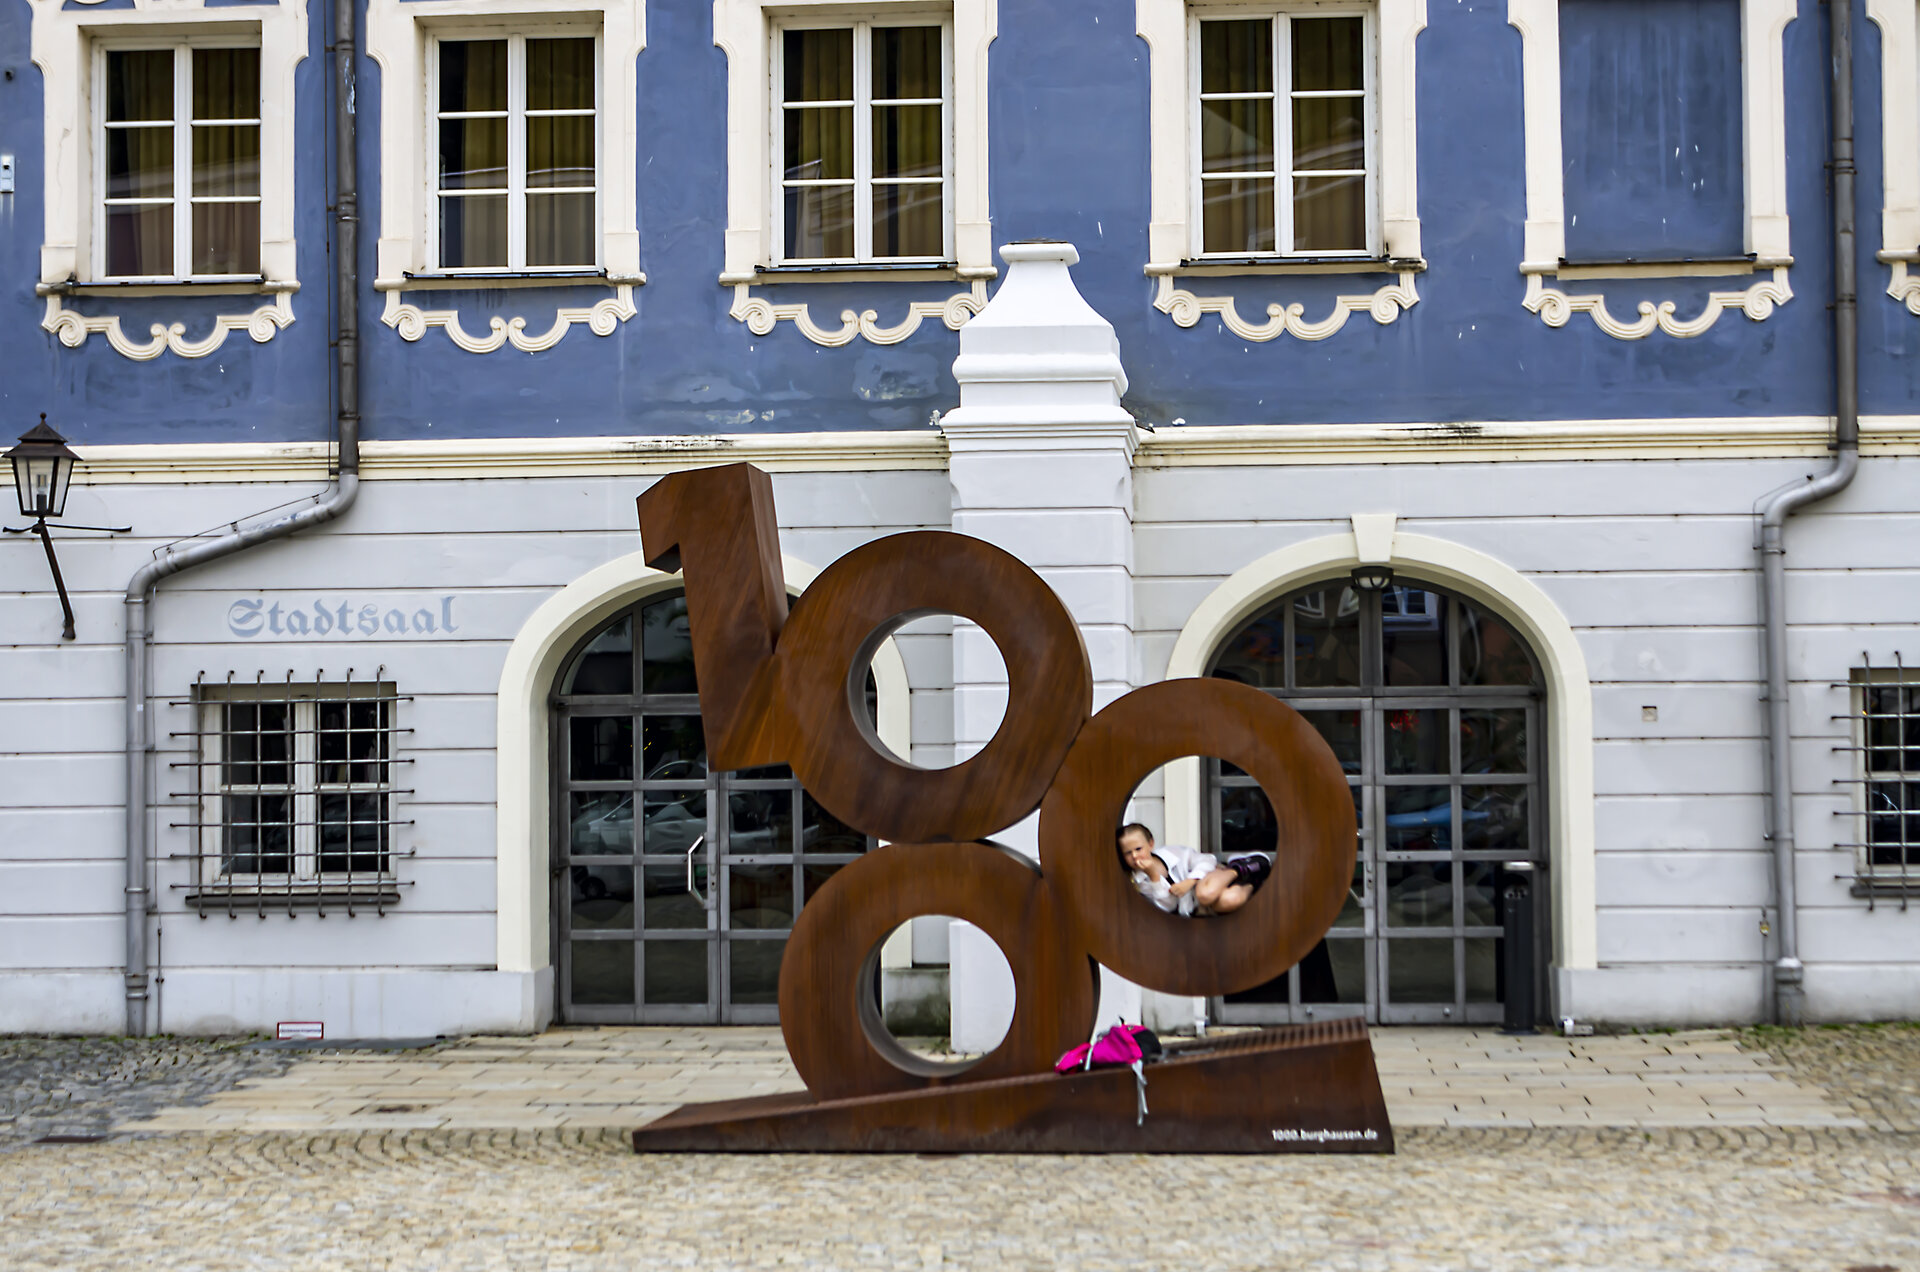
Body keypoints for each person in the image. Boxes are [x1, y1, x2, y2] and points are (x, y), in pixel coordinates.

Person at [1116, 822, 1270, 917]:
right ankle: (1254, 881)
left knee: (1205, 893)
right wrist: (1153, 876)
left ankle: (1237, 868)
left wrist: (1190, 881)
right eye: (1128, 853)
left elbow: (1207, 860)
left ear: (1150, 844)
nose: (1135, 856)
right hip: (1200, 905)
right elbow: (1168, 907)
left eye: (1138, 849)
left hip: (1214, 880)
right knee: (1230, 900)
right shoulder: (1139, 881)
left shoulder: (1170, 853)